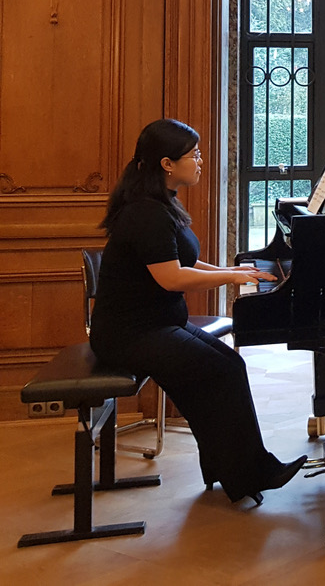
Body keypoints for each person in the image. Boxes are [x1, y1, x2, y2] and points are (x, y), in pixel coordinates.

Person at [90, 118, 306, 505]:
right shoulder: (146, 213)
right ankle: (251, 472)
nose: (201, 161)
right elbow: (172, 278)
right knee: (224, 371)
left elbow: (183, 260)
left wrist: (231, 270)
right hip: (128, 335)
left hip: (156, 325)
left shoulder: (162, 203)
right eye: (195, 154)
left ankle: (229, 468)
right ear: (167, 163)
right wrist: (229, 277)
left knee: (227, 366)